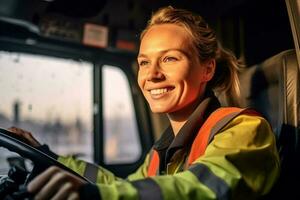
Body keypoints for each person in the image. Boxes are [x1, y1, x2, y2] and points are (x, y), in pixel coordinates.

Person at [8, 6, 279, 200]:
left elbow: (203, 189)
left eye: (170, 58)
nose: (151, 75)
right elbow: (124, 186)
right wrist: (49, 157)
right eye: (144, 63)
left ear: (207, 70)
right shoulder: (163, 150)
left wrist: (97, 196)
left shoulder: (245, 130)